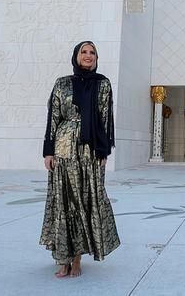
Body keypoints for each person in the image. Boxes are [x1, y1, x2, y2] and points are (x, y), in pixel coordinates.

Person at [40, 41, 120, 278]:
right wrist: (48, 151)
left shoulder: (102, 84)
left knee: (84, 201)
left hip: (90, 151)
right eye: (83, 52)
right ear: (75, 56)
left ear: (96, 58)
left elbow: (106, 119)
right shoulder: (62, 83)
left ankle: (77, 258)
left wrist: (104, 152)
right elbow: (53, 117)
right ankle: (63, 258)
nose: (88, 55)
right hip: (63, 150)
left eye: (92, 52)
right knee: (64, 202)